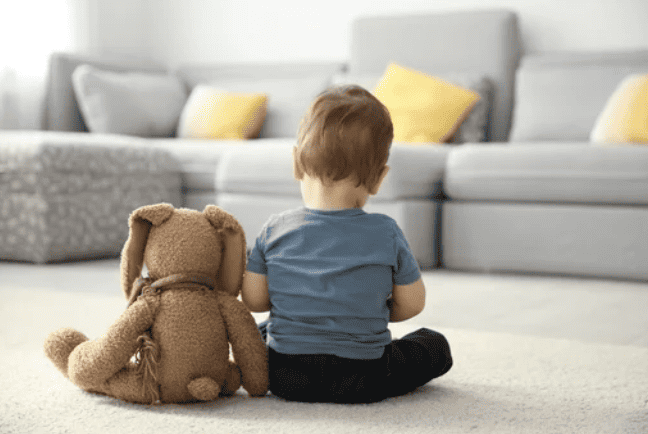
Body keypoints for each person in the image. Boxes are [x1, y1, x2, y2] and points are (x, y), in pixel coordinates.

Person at [241, 85, 452, 403]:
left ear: (296, 163)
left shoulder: (274, 230)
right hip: (364, 377)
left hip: (285, 375)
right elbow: (413, 303)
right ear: (379, 178)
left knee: (264, 330)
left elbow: (254, 301)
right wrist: (364, 314)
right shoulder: (386, 232)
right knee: (434, 344)